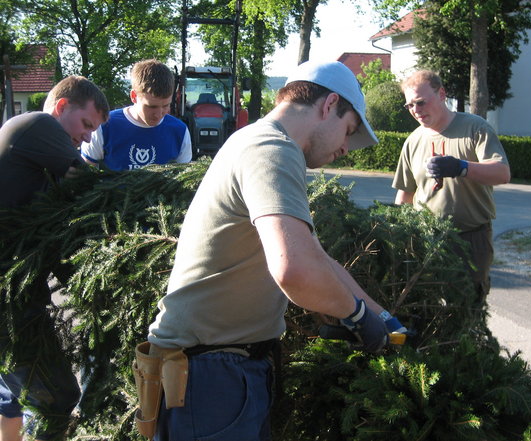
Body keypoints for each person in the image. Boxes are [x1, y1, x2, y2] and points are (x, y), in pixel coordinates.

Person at [141, 60, 406, 441]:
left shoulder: (261, 142)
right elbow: (294, 271)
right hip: (211, 376)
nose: (346, 147)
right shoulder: (271, 148)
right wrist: (357, 314)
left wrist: (381, 316)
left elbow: (316, 258)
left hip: (218, 368)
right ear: (329, 104)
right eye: (348, 131)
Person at [0, 75, 109, 440]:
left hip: (17, 301)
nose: (88, 137)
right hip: (7, 306)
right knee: (56, 399)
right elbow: (89, 181)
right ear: (62, 108)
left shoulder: (41, 169)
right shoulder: (36, 124)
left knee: (31, 397)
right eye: (86, 124)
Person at [392, 70, 510, 307]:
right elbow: (405, 195)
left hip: (471, 238)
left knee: (468, 306)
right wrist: (396, 234)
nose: (416, 110)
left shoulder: (475, 128)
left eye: (421, 102)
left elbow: (502, 172)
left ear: (442, 94)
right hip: (426, 239)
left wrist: (461, 167)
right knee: (427, 306)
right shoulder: (413, 141)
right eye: (410, 106)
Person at [80, 59, 192, 171]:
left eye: (166, 105)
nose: (158, 114)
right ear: (134, 96)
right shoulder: (104, 125)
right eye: (151, 106)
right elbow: (86, 173)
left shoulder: (179, 131)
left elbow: (185, 179)